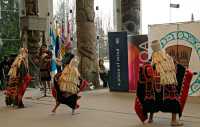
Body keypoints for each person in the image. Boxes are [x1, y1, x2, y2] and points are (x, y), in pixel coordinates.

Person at [135, 40, 193, 126]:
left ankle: (151, 119)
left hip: (159, 87)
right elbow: (178, 67)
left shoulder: (153, 61)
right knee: (171, 100)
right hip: (166, 87)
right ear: (160, 48)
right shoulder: (167, 59)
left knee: (153, 100)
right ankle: (173, 120)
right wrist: (188, 72)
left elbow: (144, 71)